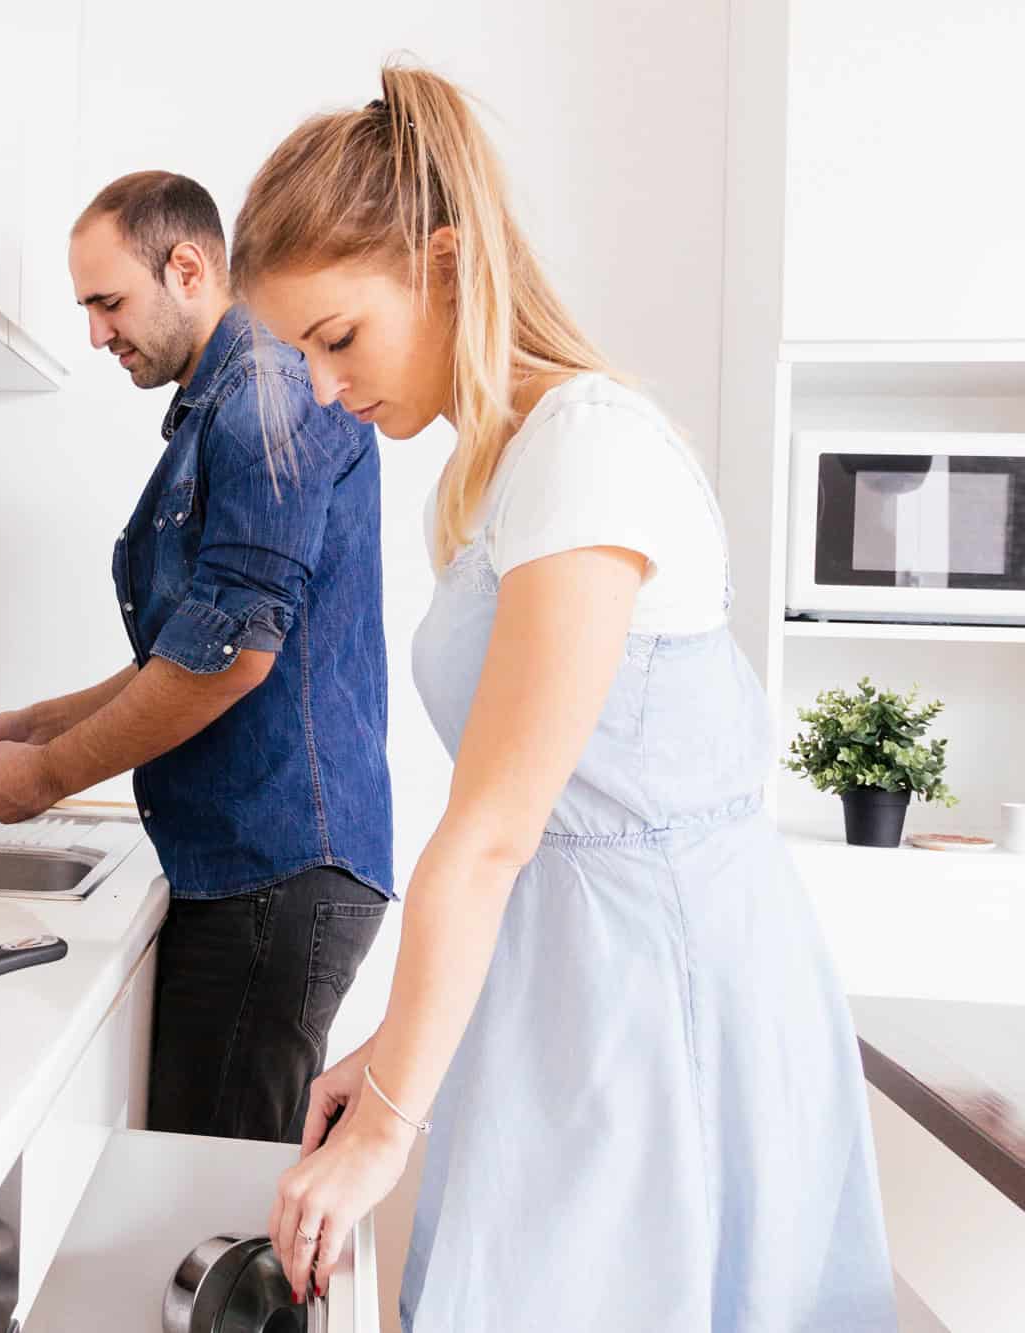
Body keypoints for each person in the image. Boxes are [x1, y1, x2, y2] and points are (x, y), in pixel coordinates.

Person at [231, 64, 896, 1327]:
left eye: (334, 338)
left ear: (441, 261)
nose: (322, 387)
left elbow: (490, 835)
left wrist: (383, 1127)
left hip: (663, 988)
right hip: (562, 980)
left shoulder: (590, 448)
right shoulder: (479, 484)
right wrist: (393, 1061)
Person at [0, 171, 395, 1144]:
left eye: (107, 301)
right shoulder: (223, 404)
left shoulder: (264, 392)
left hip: (275, 863)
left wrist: (43, 775)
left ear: (187, 267)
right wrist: (33, 724)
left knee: (207, 1197)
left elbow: (229, 661)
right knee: (198, 1178)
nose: (95, 332)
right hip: (252, 860)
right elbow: (195, 643)